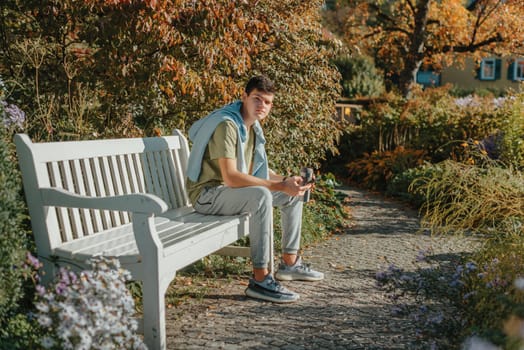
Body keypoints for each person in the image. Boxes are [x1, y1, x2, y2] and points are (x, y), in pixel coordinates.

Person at [186, 75, 324, 303]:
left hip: (228, 194)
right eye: (257, 99)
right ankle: (261, 280)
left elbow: (258, 173)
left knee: (292, 195)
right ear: (244, 97)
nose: (262, 106)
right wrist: (279, 185)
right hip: (207, 195)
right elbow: (231, 177)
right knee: (261, 196)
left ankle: (290, 264)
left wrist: (290, 182)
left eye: (267, 102)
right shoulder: (228, 125)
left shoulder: (251, 127)